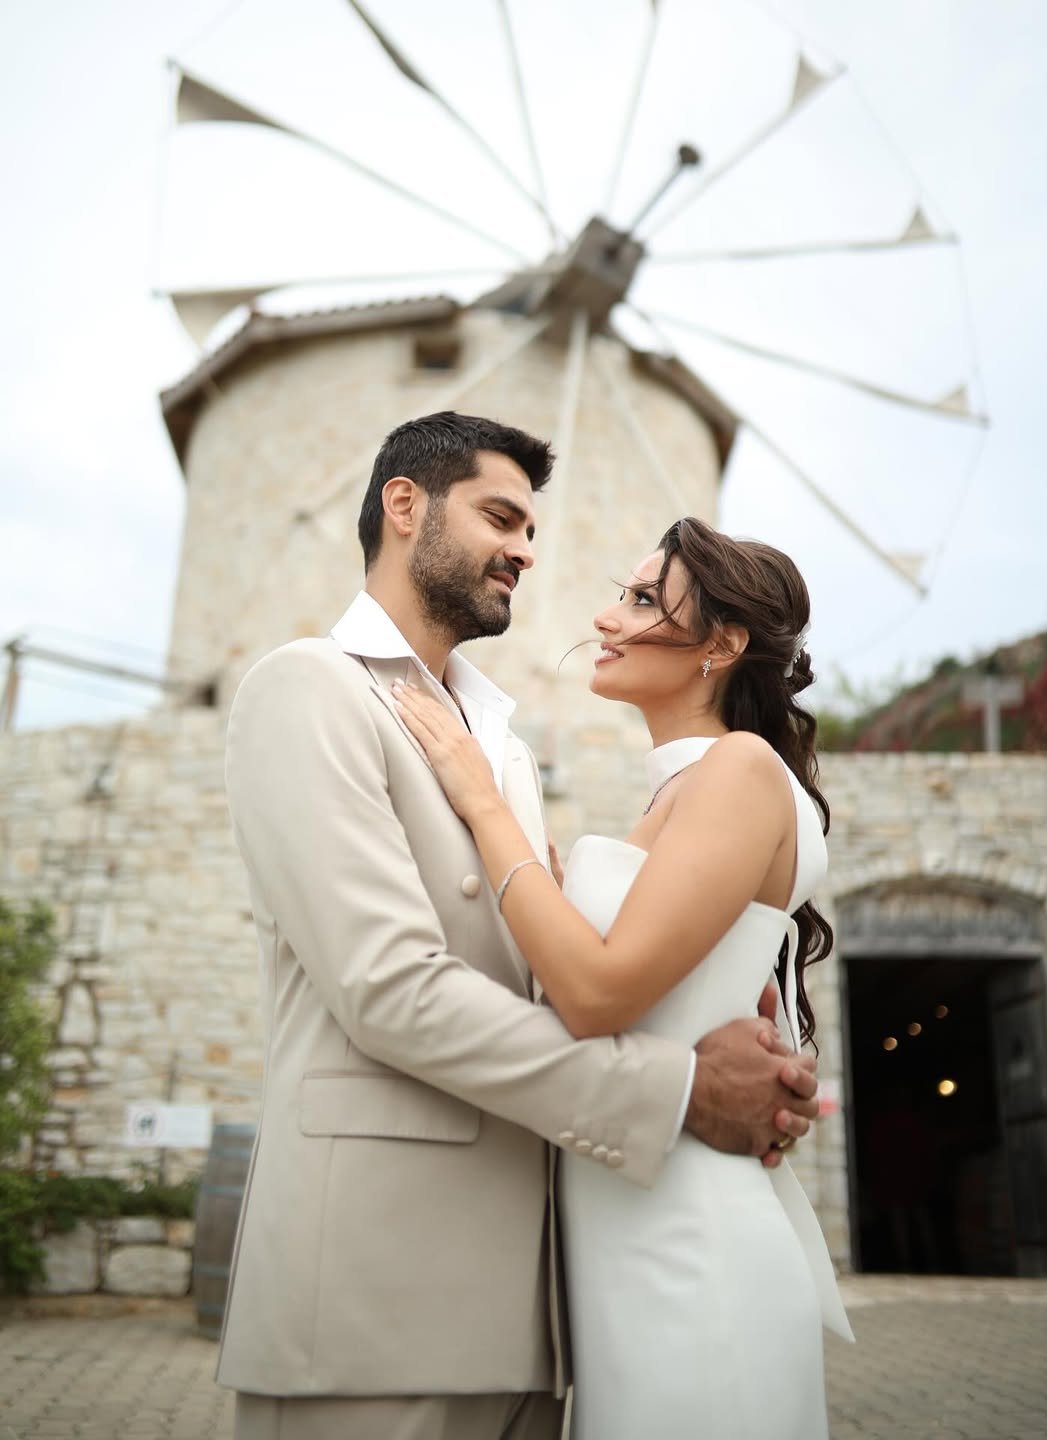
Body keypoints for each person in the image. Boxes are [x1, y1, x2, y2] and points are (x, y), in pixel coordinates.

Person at [219, 411, 821, 1440]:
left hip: (543, 1315)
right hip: (377, 1298)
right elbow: (391, 991)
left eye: (532, 528)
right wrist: (678, 1083)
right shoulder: (309, 688)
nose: (528, 550)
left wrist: (710, 1012)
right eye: (501, 517)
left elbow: (552, 980)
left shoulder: (495, 748)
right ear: (404, 506)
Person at [394, 513, 855, 1440]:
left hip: (689, 1245)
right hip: (623, 1230)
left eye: (644, 600)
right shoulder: (681, 790)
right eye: (623, 594)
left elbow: (599, 993)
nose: (607, 618)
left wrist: (484, 804)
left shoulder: (739, 770)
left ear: (722, 645)